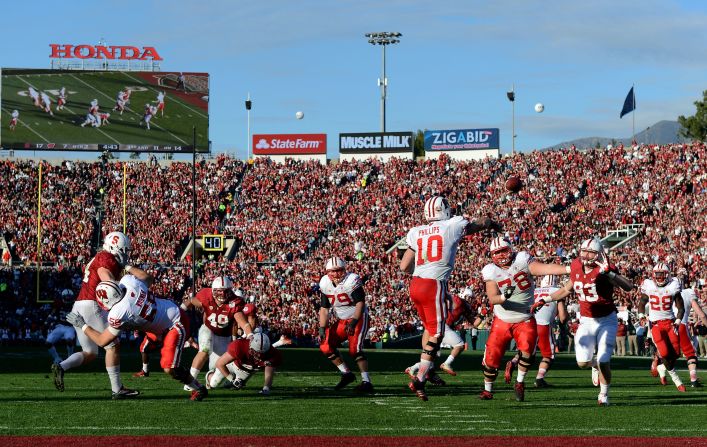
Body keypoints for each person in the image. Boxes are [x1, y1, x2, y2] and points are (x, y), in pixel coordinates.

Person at [399, 196, 502, 401]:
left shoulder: (415, 231)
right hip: (433, 284)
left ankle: (422, 375)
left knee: (431, 331)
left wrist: (422, 267)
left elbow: (404, 267)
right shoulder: (451, 225)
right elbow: (477, 224)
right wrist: (490, 222)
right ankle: (420, 377)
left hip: (415, 284)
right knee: (437, 334)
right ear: (443, 210)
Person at [66, 275, 208, 401]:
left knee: (169, 367)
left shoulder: (118, 312)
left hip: (174, 324)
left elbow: (103, 341)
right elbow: (146, 276)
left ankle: (198, 387)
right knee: (144, 349)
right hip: (165, 315)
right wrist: (127, 266)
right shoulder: (129, 282)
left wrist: (83, 325)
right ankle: (160, 366)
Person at [51, 231, 150, 399]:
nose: (126, 253)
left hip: (80, 305)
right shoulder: (107, 258)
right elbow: (106, 280)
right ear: (114, 247)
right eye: (124, 250)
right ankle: (117, 389)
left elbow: (141, 279)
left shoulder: (101, 257)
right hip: (93, 305)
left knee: (90, 352)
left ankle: (61, 366)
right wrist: (122, 289)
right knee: (112, 345)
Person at [542, 237, 634, 406]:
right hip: (586, 320)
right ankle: (594, 365)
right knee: (582, 362)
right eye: (584, 251)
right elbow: (565, 289)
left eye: (591, 252)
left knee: (604, 359)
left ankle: (604, 394)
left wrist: (610, 273)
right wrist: (545, 299)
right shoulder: (576, 265)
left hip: (607, 319)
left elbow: (628, 286)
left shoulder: (605, 269)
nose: (587, 255)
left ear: (599, 254)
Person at [481, 238, 571, 402]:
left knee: (528, 353)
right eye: (497, 252)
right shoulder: (490, 270)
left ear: (510, 249)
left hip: (524, 318)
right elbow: (493, 298)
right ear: (492, 255)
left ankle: (520, 382)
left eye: (503, 250)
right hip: (502, 319)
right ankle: (488, 390)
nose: (501, 255)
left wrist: (569, 268)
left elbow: (546, 268)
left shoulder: (522, 260)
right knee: (492, 358)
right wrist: (504, 296)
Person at [176, 277, 256, 388]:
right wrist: (180, 310)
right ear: (213, 290)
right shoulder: (206, 295)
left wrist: (250, 335)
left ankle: (209, 378)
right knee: (205, 350)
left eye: (225, 291)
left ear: (230, 291)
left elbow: (243, 322)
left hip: (224, 337)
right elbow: (192, 301)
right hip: (208, 329)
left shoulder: (234, 302)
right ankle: (189, 382)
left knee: (215, 380)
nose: (222, 294)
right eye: (219, 291)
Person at [318, 256, 373, 392]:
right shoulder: (325, 283)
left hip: (358, 317)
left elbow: (360, 303)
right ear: (327, 272)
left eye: (339, 270)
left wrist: (354, 322)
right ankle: (346, 374)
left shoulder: (351, 280)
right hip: (342, 320)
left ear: (344, 270)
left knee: (355, 350)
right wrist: (322, 327)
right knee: (325, 346)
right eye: (333, 271)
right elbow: (324, 308)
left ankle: (366, 382)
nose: (336, 274)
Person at [406, 289, 481, 380]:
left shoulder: (463, 305)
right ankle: (446, 364)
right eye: (468, 297)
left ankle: (413, 369)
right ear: (463, 295)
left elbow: (475, 323)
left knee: (431, 358)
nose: (469, 299)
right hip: (440, 326)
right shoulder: (458, 300)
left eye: (470, 297)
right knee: (460, 345)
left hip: (436, 327)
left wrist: (482, 315)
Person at [638, 263, 685, 391]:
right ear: (653, 275)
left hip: (670, 323)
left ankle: (661, 367)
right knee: (664, 352)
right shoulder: (649, 285)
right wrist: (641, 315)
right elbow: (642, 302)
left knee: (676, 353)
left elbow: (681, 308)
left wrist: (678, 321)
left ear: (667, 275)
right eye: (657, 275)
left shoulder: (673, 286)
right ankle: (676, 380)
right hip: (656, 325)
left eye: (661, 274)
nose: (659, 277)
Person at [206, 332, 281, 396]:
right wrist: (232, 380)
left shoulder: (272, 353)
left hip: (245, 371)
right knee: (213, 384)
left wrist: (266, 388)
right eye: (256, 352)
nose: (259, 356)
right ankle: (210, 375)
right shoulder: (239, 346)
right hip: (231, 364)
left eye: (262, 353)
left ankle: (230, 382)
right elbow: (219, 363)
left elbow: (269, 373)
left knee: (235, 387)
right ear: (250, 346)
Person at [674, 287, 707, 387]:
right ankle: (693, 379)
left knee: (669, 352)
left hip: (667, 324)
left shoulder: (667, 291)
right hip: (681, 324)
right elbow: (701, 314)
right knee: (690, 353)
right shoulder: (688, 292)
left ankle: (660, 368)